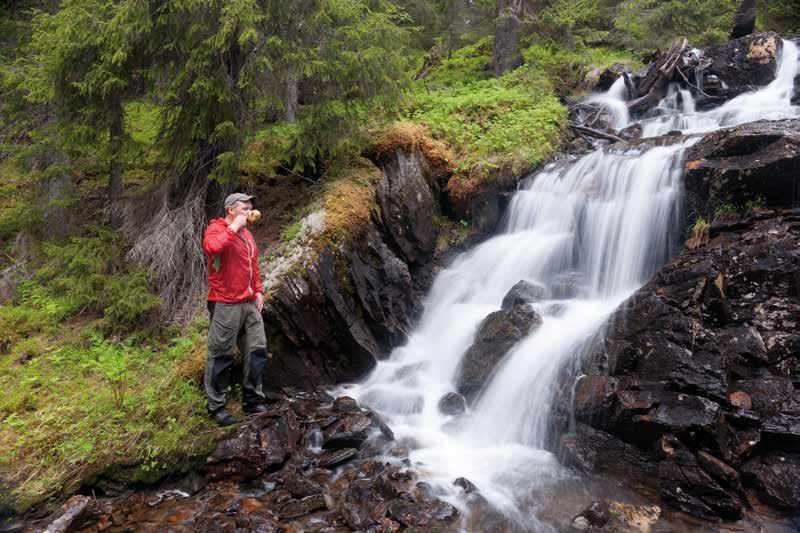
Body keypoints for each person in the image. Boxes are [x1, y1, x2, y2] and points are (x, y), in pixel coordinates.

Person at [202, 193, 268, 426]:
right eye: (244, 208)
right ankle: (216, 407)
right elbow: (212, 248)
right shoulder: (216, 229)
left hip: (250, 303)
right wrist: (233, 228)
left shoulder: (248, 235)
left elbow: (253, 266)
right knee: (221, 354)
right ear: (231, 209)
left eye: (251, 207)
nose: (249, 211)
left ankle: (252, 399)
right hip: (225, 302)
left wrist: (258, 290)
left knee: (257, 349)